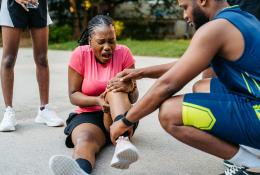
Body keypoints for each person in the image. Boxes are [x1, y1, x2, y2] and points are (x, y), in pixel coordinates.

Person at [109, 0, 260, 175]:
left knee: (169, 112)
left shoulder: (215, 29)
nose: (185, 16)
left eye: (185, 7)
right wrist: (140, 73)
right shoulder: (242, 18)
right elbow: (187, 62)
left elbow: (167, 85)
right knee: (202, 87)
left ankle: (252, 164)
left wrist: (126, 121)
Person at [48, 15, 139, 175]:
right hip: (89, 115)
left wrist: (130, 87)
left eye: (112, 41)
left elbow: (133, 98)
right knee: (84, 141)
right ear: (90, 41)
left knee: (114, 89)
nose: (107, 47)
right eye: (101, 41)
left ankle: (122, 141)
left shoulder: (124, 53)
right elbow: (73, 95)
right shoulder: (80, 55)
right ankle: (81, 171)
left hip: (121, 114)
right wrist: (98, 100)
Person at [0, 0, 64, 131]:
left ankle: (44, 109)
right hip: (11, 3)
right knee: (8, 60)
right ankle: (9, 111)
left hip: (38, 4)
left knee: (42, 59)